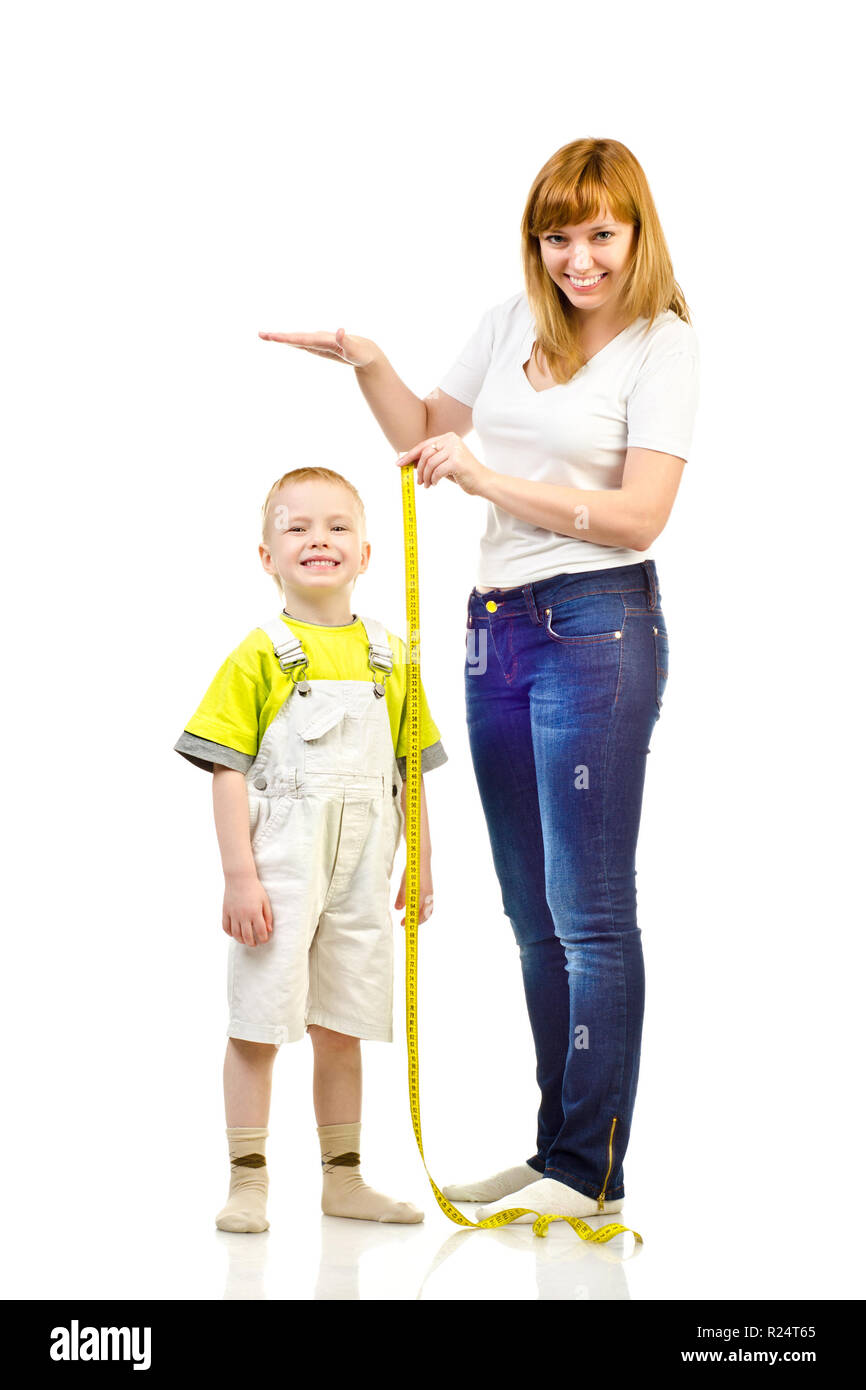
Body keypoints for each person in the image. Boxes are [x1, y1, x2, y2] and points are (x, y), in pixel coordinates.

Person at [258, 137, 700, 1224]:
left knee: (588, 911)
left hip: (595, 629)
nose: (577, 258)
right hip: (494, 632)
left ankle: (589, 1169)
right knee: (527, 911)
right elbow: (423, 440)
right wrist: (369, 362)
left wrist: (492, 477)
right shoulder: (510, 321)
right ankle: (560, 1153)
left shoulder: (661, 345)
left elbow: (641, 516)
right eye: (558, 235)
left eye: (599, 233)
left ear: (634, 232)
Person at [174, 466, 446, 1232]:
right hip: (281, 867)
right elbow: (227, 770)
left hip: (365, 870)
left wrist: (423, 859)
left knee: (342, 1022)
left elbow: (411, 769)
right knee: (259, 1020)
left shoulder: (392, 655)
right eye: (296, 528)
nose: (318, 539)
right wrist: (238, 877)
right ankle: (248, 1180)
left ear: (366, 554)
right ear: (266, 555)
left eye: (337, 528)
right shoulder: (259, 654)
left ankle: (343, 1178)